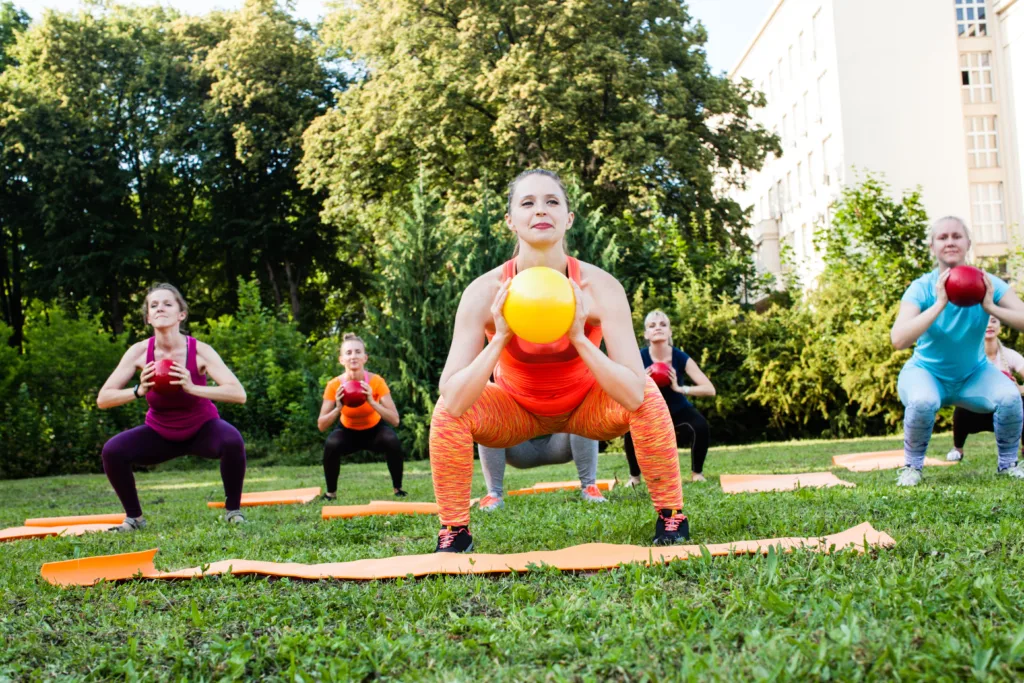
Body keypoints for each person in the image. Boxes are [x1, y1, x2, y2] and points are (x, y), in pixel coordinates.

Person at [430, 168, 687, 553]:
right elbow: (452, 396)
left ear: (568, 218)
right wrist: (500, 336)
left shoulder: (601, 287)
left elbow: (634, 390)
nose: (540, 211)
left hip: (586, 409)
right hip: (516, 411)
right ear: (510, 220)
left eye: (552, 202)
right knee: (447, 412)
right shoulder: (483, 292)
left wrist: (579, 338)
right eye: (528, 203)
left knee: (649, 395)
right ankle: (455, 529)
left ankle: (671, 515)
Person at [97, 283, 248, 530]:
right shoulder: (138, 352)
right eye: (153, 305)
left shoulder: (200, 350)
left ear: (181, 314)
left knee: (232, 440)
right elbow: (104, 398)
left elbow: (238, 393)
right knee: (113, 451)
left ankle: (233, 511)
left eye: (168, 304)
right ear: (148, 317)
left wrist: (192, 387)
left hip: (202, 429)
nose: (160, 309)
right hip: (160, 432)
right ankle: (134, 518)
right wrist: (139, 390)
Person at [890, 216, 1024, 486]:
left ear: (968, 243)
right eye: (942, 237)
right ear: (932, 246)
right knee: (923, 402)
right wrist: (939, 304)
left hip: (974, 374)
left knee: (1010, 398)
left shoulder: (990, 284)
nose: (950, 242)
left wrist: (991, 307)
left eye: (956, 236)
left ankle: (1008, 464)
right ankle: (912, 468)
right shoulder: (921, 288)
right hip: (926, 373)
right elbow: (899, 339)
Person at [624, 310, 716, 487]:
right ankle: (634, 477)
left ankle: (697, 473)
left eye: (663, 324)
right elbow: (624, 386)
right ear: (646, 334)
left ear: (670, 332)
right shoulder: (638, 357)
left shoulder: (680, 357)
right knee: (630, 430)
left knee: (700, 425)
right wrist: (641, 379)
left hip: (677, 409)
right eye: (652, 325)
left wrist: (680, 388)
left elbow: (709, 389)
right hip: (649, 410)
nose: (658, 328)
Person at [318, 333, 407, 498]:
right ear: (341, 359)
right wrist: (338, 408)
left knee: (392, 440)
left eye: (358, 352)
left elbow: (395, 420)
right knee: (331, 443)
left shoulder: (376, 382)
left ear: (365, 358)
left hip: (375, 431)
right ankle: (331, 493)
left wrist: (372, 402)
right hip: (347, 432)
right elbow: (321, 425)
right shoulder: (334, 385)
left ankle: (398, 489)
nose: (353, 356)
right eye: (349, 353)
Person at [946, 315, 1024, 461]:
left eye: (994, 321)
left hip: (1007, 413)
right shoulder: (969, 357)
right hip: (978, 412)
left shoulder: (1010, 355)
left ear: (999, 328)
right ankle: (958, 449)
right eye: (984, 322)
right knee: (961, 407)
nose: (989, 325)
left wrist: (1018, 389)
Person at [476, 434, 606, 511]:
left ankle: (589, 487)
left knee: (583, 419)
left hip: (558, 444)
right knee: (489, 427)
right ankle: (494, 495)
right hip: (520, 447)